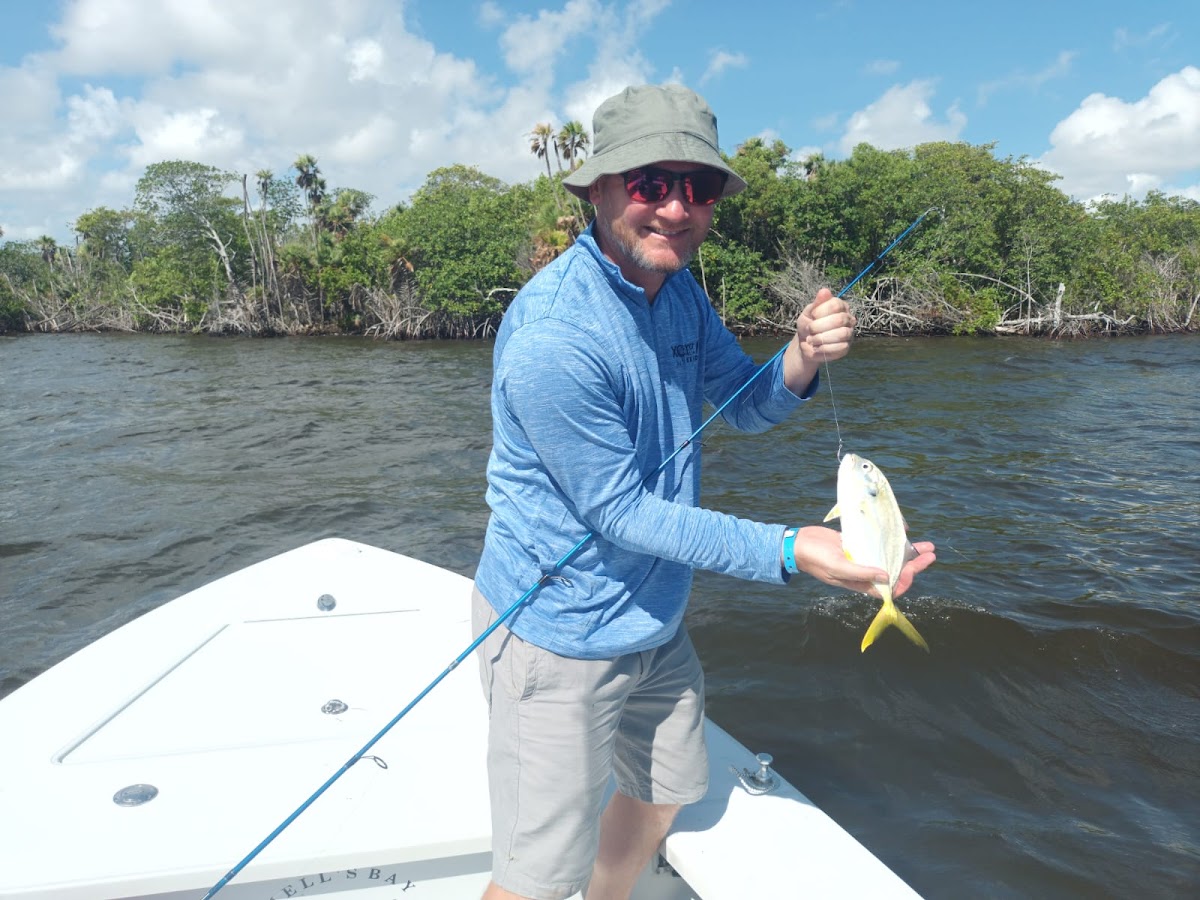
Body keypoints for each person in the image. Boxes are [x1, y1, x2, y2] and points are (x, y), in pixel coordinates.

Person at [472, 83, 935, 900]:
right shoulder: (554, 338)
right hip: (559, 635)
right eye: (651, 183)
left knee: (665, 792)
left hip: (655, 618)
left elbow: (745, 403)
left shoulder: (679, 289)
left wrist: (801, 355)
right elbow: (619, 513)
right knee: (536, 877)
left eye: (700, 186)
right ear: (598, 189)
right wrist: (789, 550)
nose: (677, 208)